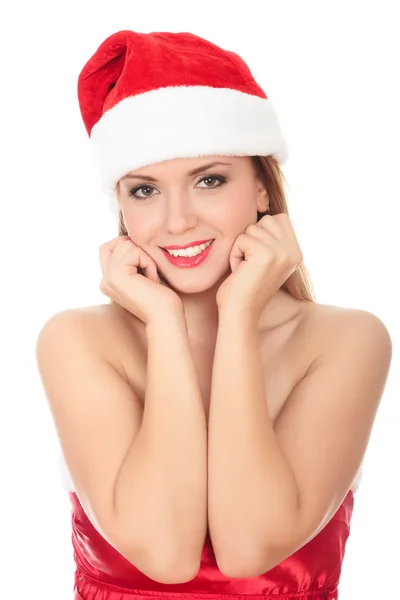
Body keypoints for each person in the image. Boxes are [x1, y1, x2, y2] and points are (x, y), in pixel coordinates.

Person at [36, 29, 392, 600]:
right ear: (121, 206)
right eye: (145, 190)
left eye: (209, 180)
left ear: (260, 187)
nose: (176, 222)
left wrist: (240, 316)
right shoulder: (77, 340)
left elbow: (250, 546)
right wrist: (164, 326)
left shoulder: (347, 340)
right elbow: (165, 554)